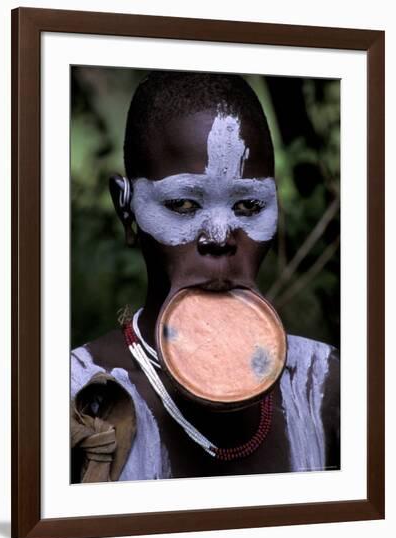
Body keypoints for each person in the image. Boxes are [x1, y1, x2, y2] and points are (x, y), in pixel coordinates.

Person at [70, 71, 340, 483]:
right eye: (182, 204)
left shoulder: (326, 385)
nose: (219, 237)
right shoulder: (74, 394)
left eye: (250, 206)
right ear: (126, 209)